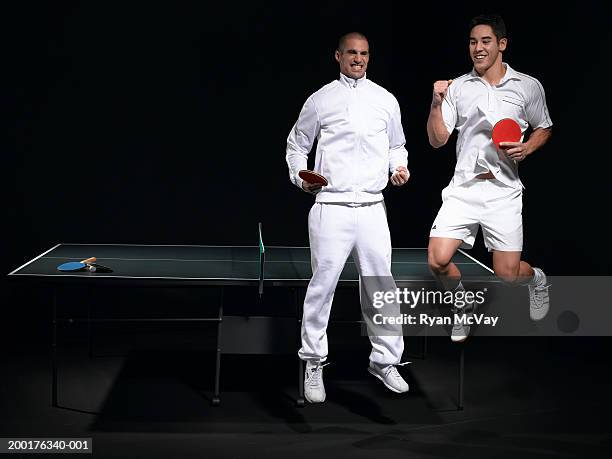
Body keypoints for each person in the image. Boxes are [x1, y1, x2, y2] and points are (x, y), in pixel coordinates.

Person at [286, 32, 410, 403]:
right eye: (352, 53)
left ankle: (385, 361)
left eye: (364, 54)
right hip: (331, 208)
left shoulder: (385, 100)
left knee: (381, 286)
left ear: (369, 58)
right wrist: (301, 177)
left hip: (372, 207)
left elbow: (397, 145)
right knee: (321, 288)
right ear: (338, 56)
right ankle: (313, 361)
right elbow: (297, 145)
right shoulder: (320, 100)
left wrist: (399, 167)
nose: (358, 59)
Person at [426, 14, 552, 342]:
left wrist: (527, 148)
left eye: (485, 41)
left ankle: (537, 278)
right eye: (472, 42)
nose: (478, 48)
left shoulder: (528, 86)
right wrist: (436, 103)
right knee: (437, 259)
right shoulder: (458, 88)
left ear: (501, 44)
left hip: (503, 191)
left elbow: (544, 127)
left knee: (508, 275)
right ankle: (462, 304)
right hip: (464, 188)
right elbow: (437, 140)